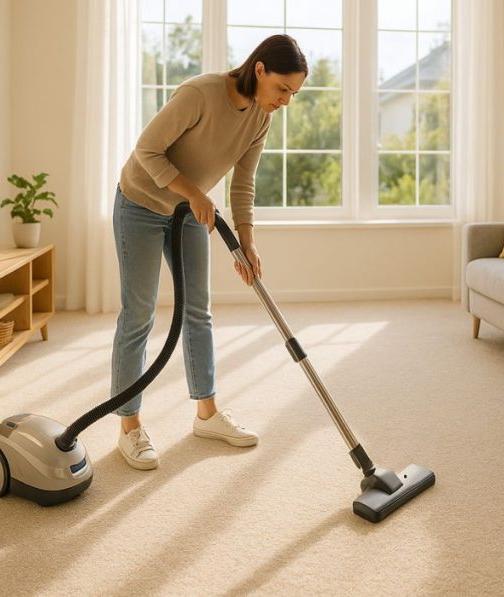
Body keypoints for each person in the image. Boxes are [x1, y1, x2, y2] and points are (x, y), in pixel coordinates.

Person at [111, 35, 308, 469]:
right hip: (140, 206)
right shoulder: (199, 94)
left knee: (198, 312)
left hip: (190, 215)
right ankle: (129, 426)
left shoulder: (260, 118)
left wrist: (246, 244)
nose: (286, 101)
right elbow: (146, 150)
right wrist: (194, 193)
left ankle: (207, 413)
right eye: (282, 89)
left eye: (294, 93)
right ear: (259, 69)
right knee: (139, 315)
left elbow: (242, 184)